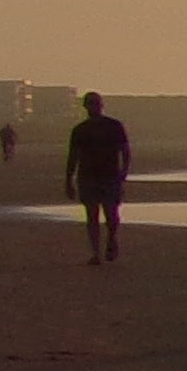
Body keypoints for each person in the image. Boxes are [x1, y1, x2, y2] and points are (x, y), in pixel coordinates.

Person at [59, 91, 129, 264]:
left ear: (101, 105)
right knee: (92, 215)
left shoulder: (114, 126)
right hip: (88, 176)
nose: (93, 107)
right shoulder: (80, 130)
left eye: (95, 104)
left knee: (111, 214)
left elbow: (125, 151)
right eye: (90, 104)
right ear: (85, 106)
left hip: (110, 175)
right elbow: (73, 156)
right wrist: (69, 180)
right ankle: (96, 253)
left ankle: (111, 238)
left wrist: (123, 173)